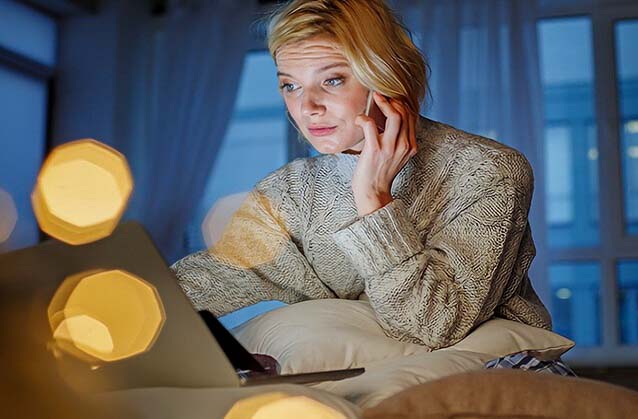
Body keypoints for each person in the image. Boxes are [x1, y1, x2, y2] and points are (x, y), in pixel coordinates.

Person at [172, 0, 551, 350]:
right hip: (354, 379)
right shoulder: (290, 191)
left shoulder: (488, 171)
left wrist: (374, 202)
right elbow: (211, 280)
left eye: (332, 80)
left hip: (489, 380)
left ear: (386, 76)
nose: (308, 107)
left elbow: (434, 325)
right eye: (290, 85)